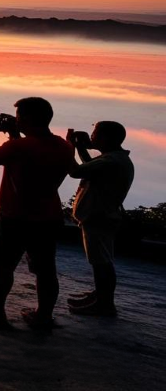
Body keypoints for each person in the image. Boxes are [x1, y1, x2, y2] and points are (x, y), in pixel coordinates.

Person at [0, 97, 73, 330]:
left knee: (3, 265)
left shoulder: (18, 147)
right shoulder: (65, 147)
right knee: (45, 270)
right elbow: (27, 157)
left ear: (29, 118)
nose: (17, 120)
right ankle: (43, 316)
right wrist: (15, 134)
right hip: (48, 217)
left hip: (14, 215)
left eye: (19, 116)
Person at [65, 121, 134, 316]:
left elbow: (76, 171)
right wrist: (79, 147)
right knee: (101, 261)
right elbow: (89, 168)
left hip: (98, 217)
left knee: (101, 263)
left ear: (107, 138)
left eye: (95, 134)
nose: (92, 138)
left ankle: (104, 304)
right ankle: (100, 296)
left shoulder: (110, 161)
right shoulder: (114, 159)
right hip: (103, 216)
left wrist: (69, 147)